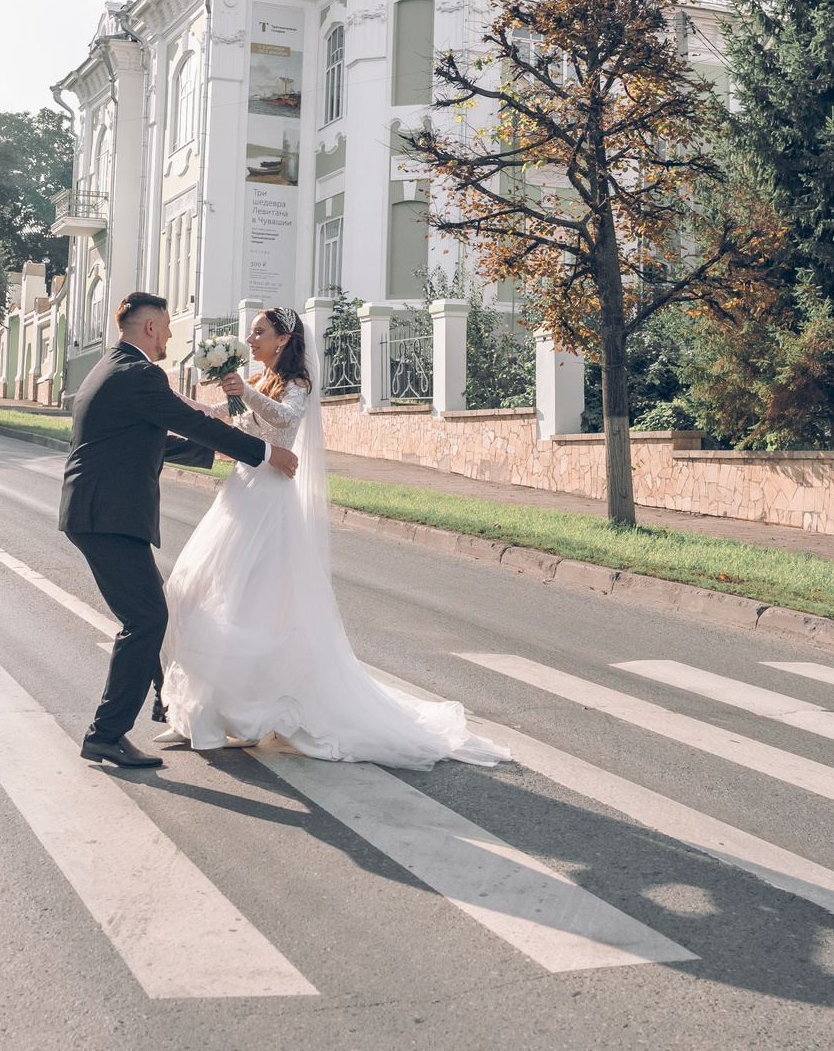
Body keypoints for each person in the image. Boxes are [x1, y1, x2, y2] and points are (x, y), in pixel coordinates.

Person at [158, 307, 508, 770]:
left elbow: (285, 420)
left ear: (282, 339)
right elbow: (220, 417)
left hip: (269, 499)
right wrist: (181, 402)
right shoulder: (256, 381)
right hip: (241, 492)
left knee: (252, 599)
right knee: (206, 590)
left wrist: (243, 390)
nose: (251, 338)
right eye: (250, 332)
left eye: (259, 332)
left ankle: (248, 711)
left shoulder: (296, 382)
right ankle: (218, 709)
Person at [60, 291, 297, 769]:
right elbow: (192, 423)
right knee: (146, 619)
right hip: (107, 516)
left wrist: (216, 455)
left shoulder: (113, 366)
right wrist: (266, 453)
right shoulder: (140, 373)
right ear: (150, 328)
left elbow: (148, 441)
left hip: (99, 513)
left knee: (152, 612)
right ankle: (105, 734)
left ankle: (161, 701)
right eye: (167, 327)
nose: (171, 335)